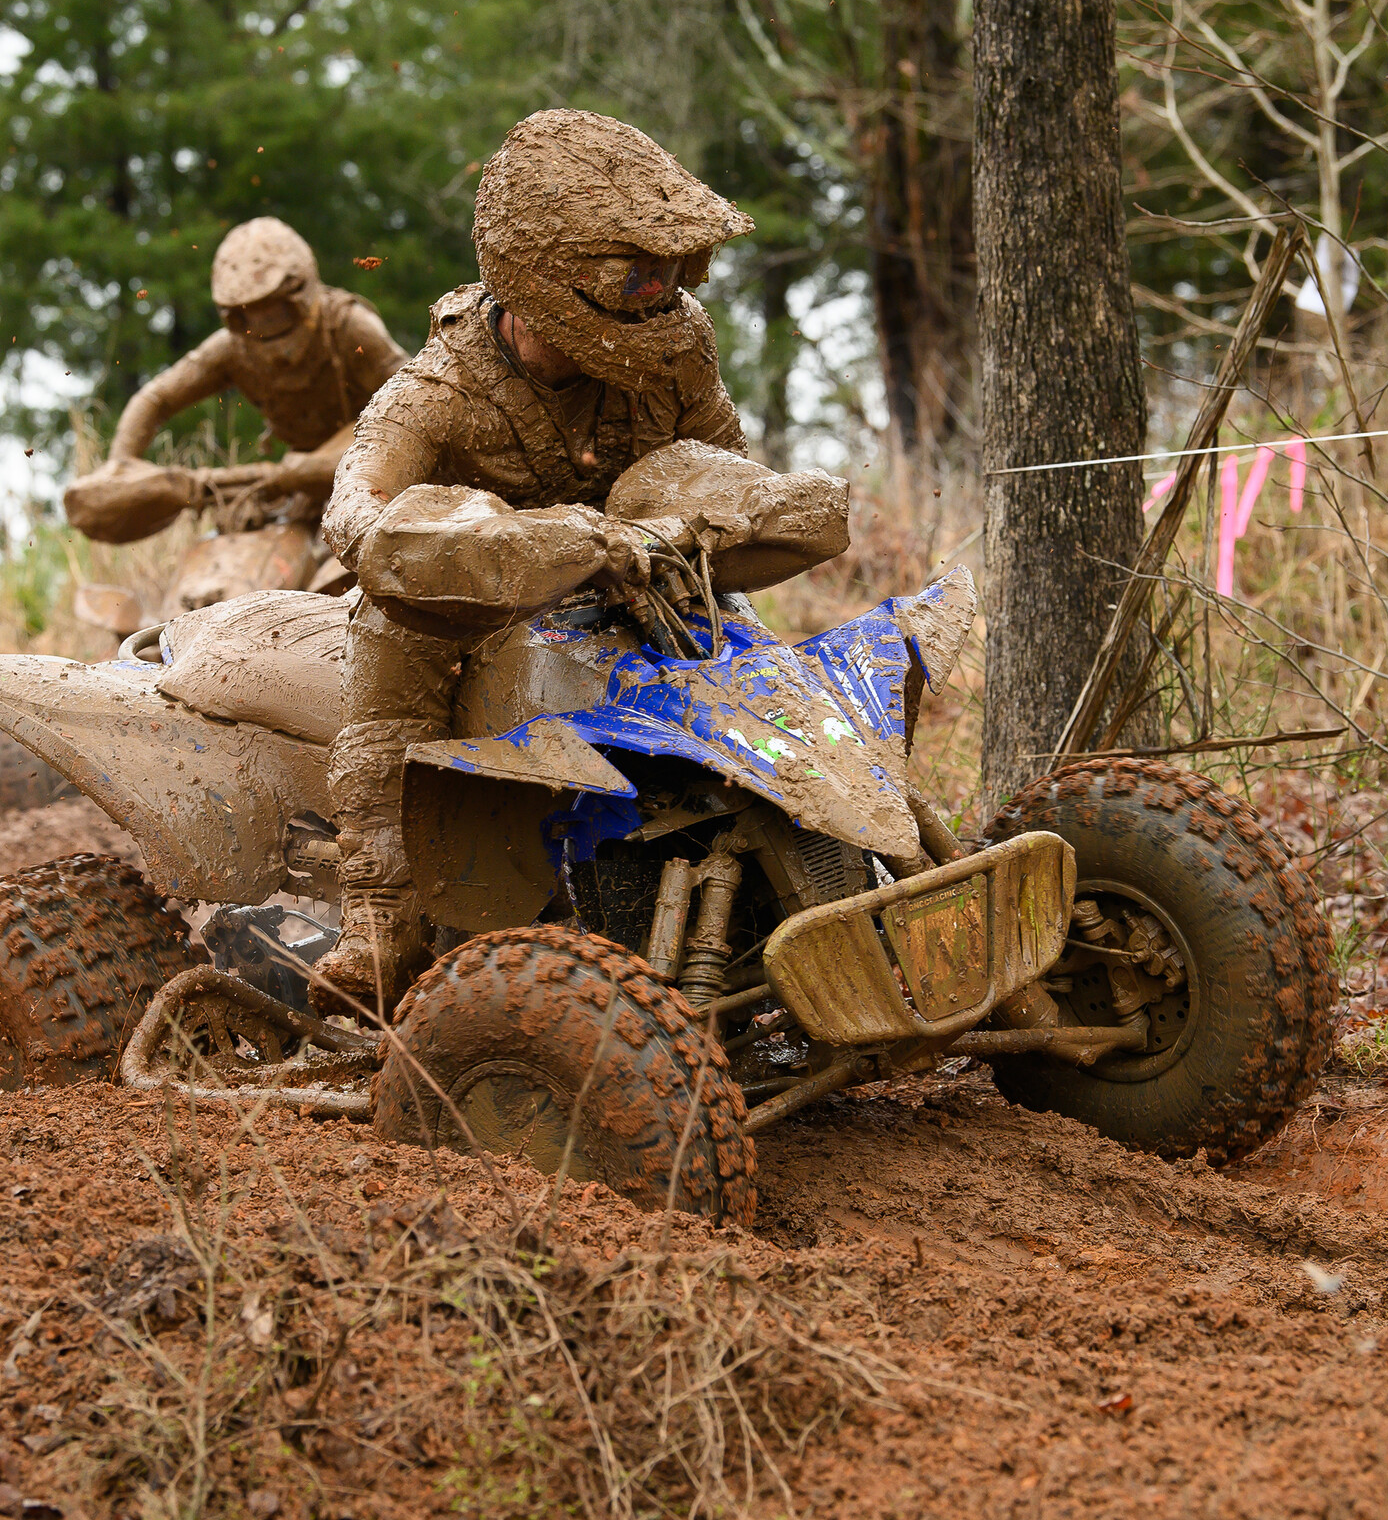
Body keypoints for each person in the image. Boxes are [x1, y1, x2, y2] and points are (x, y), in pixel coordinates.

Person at [311, 108, 829, 1012]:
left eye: (672, 272)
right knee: (393, 630)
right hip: (484, 599)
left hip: (642, 581)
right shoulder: (443, 387)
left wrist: (714, 523)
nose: (657, 293)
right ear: (542, 273)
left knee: (739, 623)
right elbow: (354, 515)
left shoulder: (677, 343)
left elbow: (725, 465)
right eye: (633, 272)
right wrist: (477, 537)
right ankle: (381, 919)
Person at [62, 217, 408, 550]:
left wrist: (330, 465)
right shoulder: (232, 348)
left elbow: (411, 400)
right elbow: (157, 398)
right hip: (297, 481)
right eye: (250, 316)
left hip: (371, 464)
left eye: (274, 311)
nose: (264, 325)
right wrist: (121, 466)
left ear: (300, 294)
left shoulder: (348, 326)